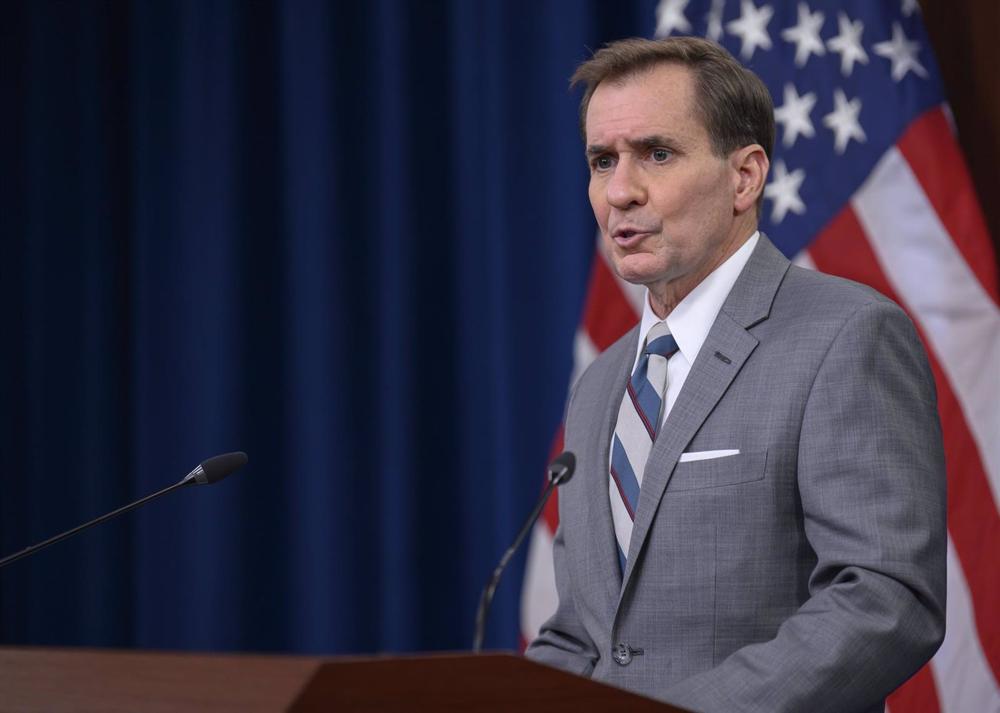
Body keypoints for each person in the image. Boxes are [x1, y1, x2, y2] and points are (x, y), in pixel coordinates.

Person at [525, 37, 946, 713]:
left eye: (657, 154)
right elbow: (582, 634)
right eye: (603, 161)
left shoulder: (846, 335)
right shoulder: (600, 385)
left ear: (744, 177)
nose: (621, 191)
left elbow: (885, 598)